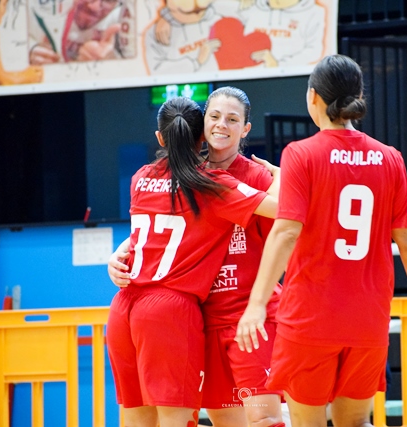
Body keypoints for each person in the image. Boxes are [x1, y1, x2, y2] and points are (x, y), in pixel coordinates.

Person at [235, 54, 407, 427]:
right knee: (357, 423)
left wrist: (256, 304)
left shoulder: (301, 154)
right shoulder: (390, 158)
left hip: (310, 319)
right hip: (367, 320)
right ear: (357, 97)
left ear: (313, 98)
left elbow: (286, 232)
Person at [110, 87, 285, 427]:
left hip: (244, 315)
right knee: (213, 420)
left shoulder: (255, 175)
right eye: (214, 117)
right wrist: (119, 252)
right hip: (195, 317)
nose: (222, 125)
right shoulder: (200, 178)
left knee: (264, 420)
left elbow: (287, 229)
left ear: (246, 128)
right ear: (200, 127)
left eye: (233, 119)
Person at [27, 0, 125, 65]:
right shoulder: (39, 6)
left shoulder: (124, 20)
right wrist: (29, 51)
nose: (94, 7)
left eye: (109, 0)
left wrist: (111, 62)